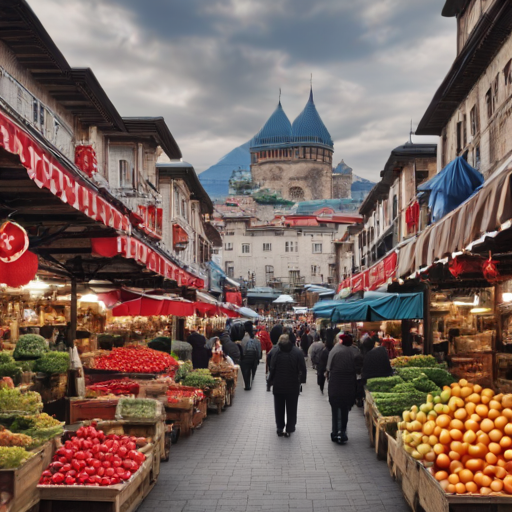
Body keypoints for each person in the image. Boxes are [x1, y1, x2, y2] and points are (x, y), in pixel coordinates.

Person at [327, 333, 362, 445]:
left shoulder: (335, 350)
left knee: (336, 409)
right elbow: (358, 369)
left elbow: (328, 367)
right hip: (348, 385)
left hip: (336, 384)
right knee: (344, 409)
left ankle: (335, 432)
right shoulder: (354, 351)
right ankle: (342, 431)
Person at [268, 334, 307, 437]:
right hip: (293, 386)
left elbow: (272, 368)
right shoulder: (297, 352)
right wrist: (302, 380)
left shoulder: (276, 351)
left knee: (279, 407)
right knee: (292, 408)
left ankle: (280, 427)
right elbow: (303, 368)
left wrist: (270, 381)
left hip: (278, 385)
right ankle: (290, 427)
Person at [239, 322, 261, 390]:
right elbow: (258, 347)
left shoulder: (242, 337)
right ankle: (250, 382)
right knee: (252, 369)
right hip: (254, 356)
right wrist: (258, 357)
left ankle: (247, 384)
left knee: (246, 370)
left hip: (245, 356)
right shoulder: (254, 338)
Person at [316, 328, 335, 394]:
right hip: (331, 353)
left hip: (324, 359)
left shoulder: (324, 349)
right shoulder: (333, 339)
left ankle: (321, 386)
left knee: (323, 372)